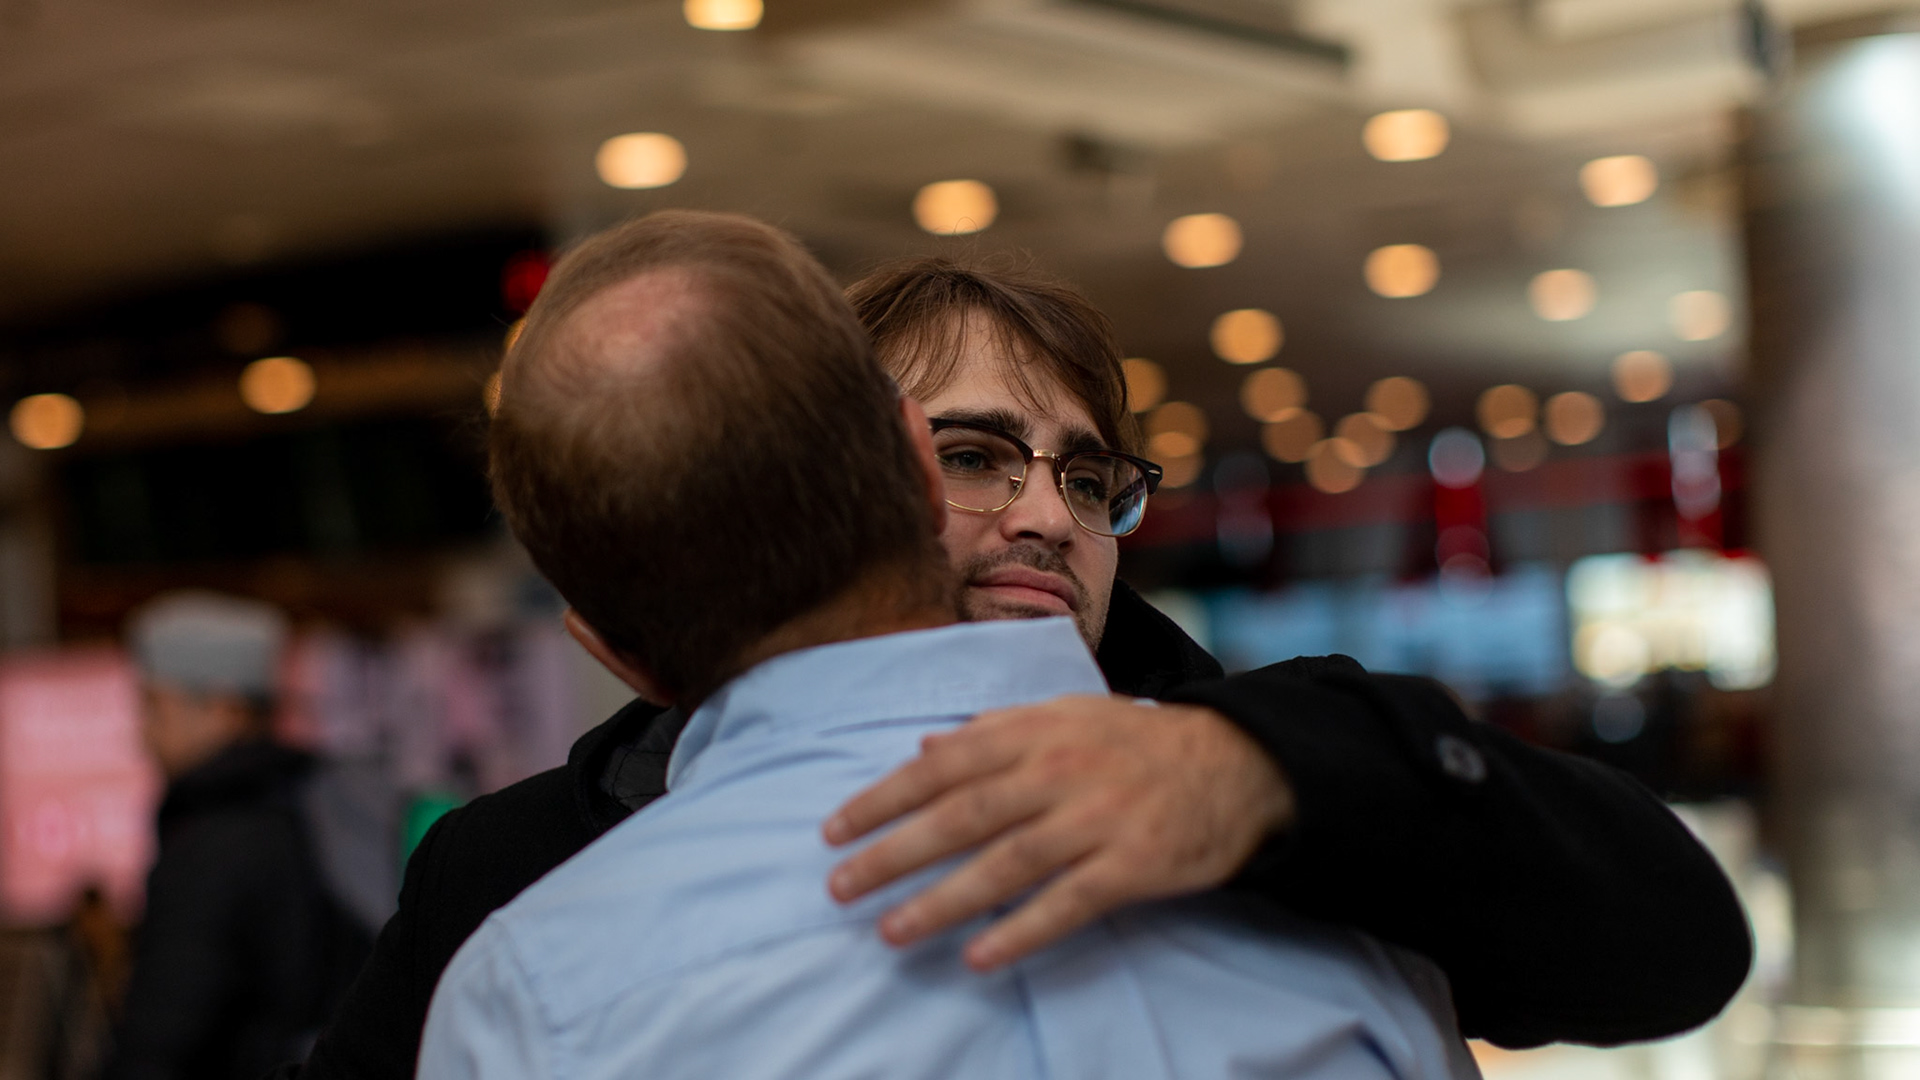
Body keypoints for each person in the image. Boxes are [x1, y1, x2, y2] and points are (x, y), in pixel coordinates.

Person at [291, 243, 1750, 1079]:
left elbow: (1677, 947)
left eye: (1088, 474)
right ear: (868, 479)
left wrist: (1263, 777)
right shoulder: (527, 877)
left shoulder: (1303, 764)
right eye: (981, 456)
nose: (1048, 515)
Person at [107, 593, 367, 1080]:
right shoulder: (310, 802)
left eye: (156, 706)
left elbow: (162, 1038)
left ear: (223, 708)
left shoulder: (213, 845)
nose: (143, 732)